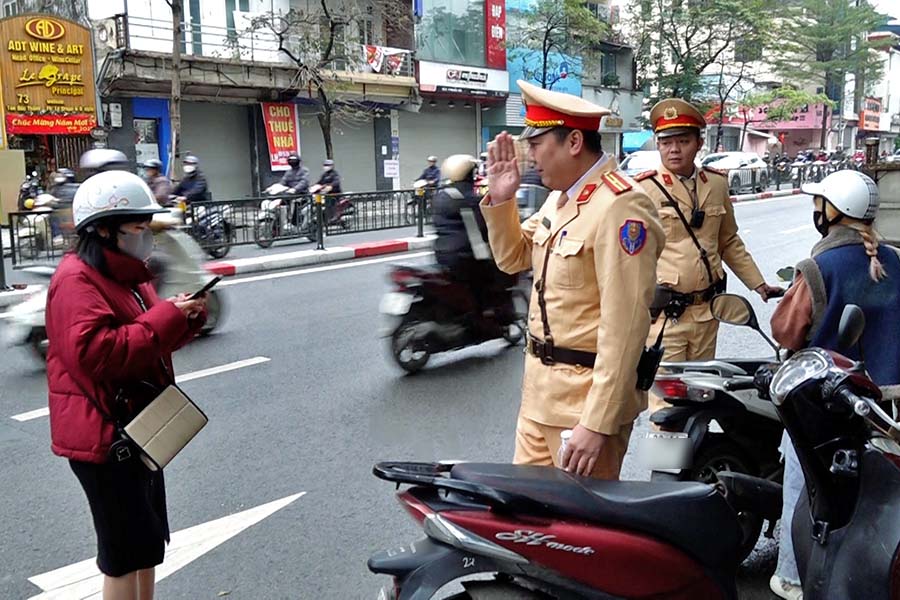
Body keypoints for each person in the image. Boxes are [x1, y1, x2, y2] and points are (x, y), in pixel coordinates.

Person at [480, 80, 664, 480]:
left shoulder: (621, 205)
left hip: (582, 410)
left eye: (537, 142)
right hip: (539, 399)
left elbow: (626, 326)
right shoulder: (560, 198)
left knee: (580, 535)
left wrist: (596, 422)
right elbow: (513, 258)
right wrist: (501, 199)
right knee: (526, 522)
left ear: (574, 142)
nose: (530, 155)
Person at [45, 170, 207, 600]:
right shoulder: (75, 280)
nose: (146, 237)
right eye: (138, 228)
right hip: (104, 438)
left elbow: (147, 340)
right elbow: (99, 354)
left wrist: (185, 319)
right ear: (101, 230)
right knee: (122, 554)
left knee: (147, 546)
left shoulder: (127, 275)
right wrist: (168, 318)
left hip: (138, 430)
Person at [768, 170, 900, 600]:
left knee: (802, 492)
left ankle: (791, 577)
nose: (815, 211)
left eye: (819, 203)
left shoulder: (817, 266)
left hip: (829, 405)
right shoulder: (896, 260)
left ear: (833, 211)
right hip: (888, 410)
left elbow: (786, 332)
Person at [635, 98, 782, 421]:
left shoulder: (715, 184)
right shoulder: (642, 191)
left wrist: (758, 283)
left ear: (699, 143)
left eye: (683, 141)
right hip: (666, 317)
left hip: (707, 313)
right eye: (666, 142)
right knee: (667, 407)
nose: (674, 150)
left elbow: (728, 240)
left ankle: (696, 468)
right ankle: (669, 471)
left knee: (702, 396)